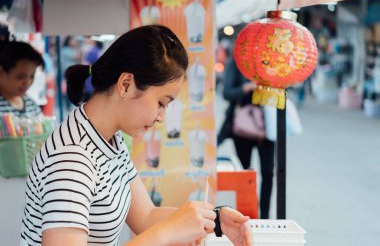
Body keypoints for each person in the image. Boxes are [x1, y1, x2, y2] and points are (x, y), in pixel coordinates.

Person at [20, 25, 252, 246]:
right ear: (126, 84)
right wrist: (167, 232)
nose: (161, 116)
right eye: (161, 103)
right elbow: (155, 227)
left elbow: (146, 216)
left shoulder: (108, 137)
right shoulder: (72, 159)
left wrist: (214, 220)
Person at [217, 58, 275, 219]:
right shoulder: (237, 63)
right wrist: (248, 87)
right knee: (245, 173)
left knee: (268, 173)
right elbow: (227, 92)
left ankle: (264, 215)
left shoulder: (274, 63)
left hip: (267, 127)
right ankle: (249, 213)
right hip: (243, 128)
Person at [0, 41, 44, 117]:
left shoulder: (32, 106)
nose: (27, 82)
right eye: (20, 77)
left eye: (31, 76)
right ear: (1, 72)